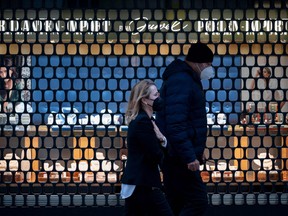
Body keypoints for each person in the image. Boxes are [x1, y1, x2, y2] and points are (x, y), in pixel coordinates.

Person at [156, 43, 215, 216]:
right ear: (200, 63)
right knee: (198, 201)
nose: (210, 69)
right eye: (209, 65)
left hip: (176, 154)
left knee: (176, 202)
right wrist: (189, 156)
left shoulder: (185, 79)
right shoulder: (182, 81)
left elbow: (186, 121)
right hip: (178, 157)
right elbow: (176, 124)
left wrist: (196, 151)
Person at [121, 79, 174, 216]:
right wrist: (163, 141)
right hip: (143, 183)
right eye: (155, 95)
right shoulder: (143, 122)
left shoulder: (146, 120)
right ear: (144, 100)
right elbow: (155, 155)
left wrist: (162, 139)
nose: (159, 98)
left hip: (140, 183)